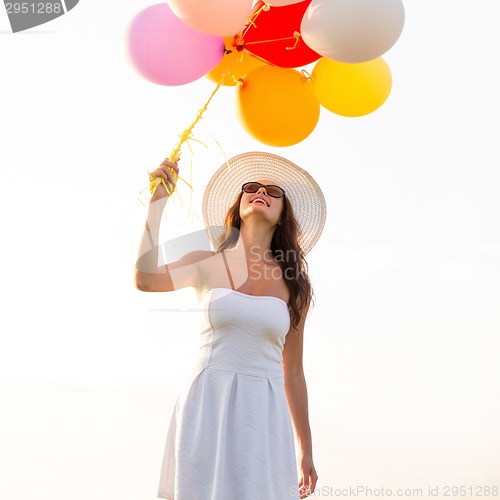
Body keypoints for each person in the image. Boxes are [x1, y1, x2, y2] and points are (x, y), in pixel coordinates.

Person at [134, 151, 327, 500]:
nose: (261, 192)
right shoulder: (205, 262)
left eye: (273, 191)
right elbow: (145, 279)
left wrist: (306, 448)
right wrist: (157, 203)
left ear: (284, 216)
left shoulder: (293, 283)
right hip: (208, 400)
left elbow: (293, 372)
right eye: (252, 186)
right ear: (238, 205)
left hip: (264, 411)